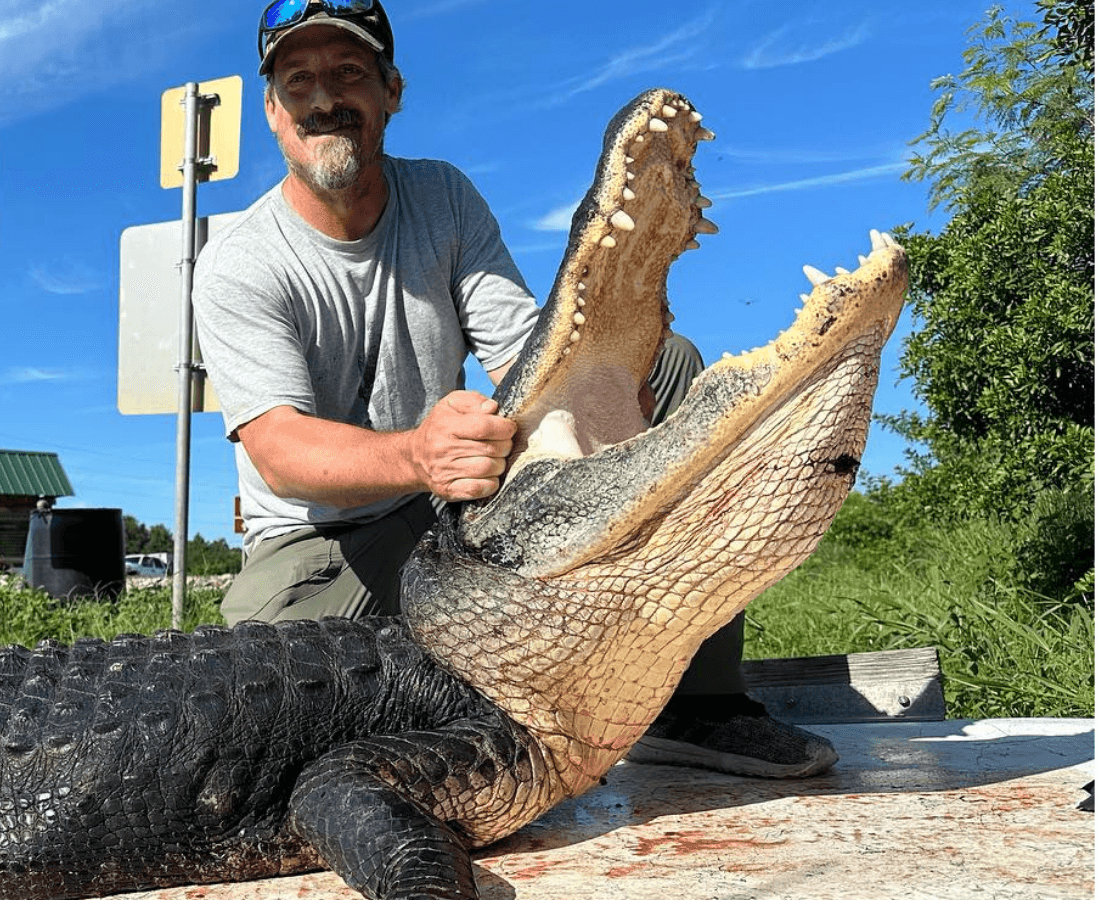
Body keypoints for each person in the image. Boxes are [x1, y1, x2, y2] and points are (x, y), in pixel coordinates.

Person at [191, 0, 837, 779]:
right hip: (317, 549)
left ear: (391, 90)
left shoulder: (443, 197)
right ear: (271, 110)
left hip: (448, 499)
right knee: (259, 739)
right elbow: (279, 453)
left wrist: (619, 318)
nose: (324, 97)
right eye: (299, 81)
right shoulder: (240, 259)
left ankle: (694, 702)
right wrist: (419, 456)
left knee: (669, 365)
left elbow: (526, 357)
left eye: (349, 73)